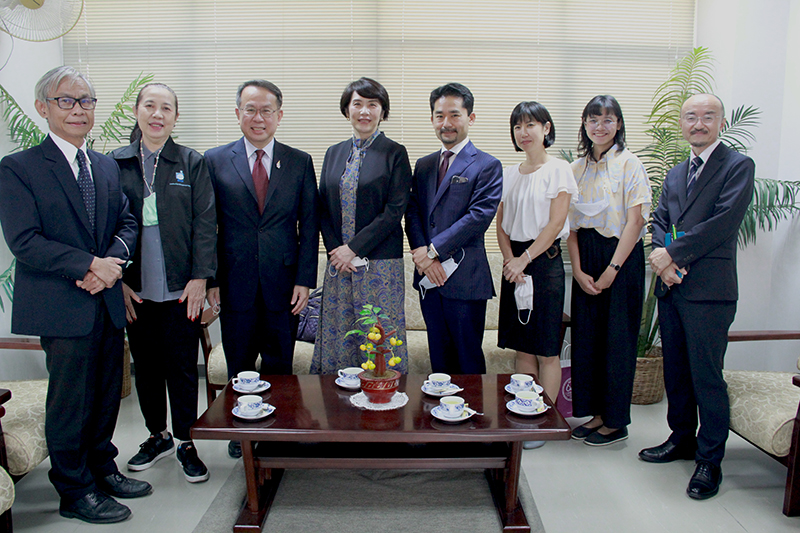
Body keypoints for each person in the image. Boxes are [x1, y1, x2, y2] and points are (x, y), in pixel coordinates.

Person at [0, 66, 149, 524]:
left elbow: (127, 222)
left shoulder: (103, 165)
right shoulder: (18, 168)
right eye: (67, 100)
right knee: (71, 400)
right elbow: (25, 240)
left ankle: (102, 468)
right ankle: (74, 488)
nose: (79, 109)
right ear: (44, 108)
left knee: (107, 394)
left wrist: (111, 266)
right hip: (60, 305)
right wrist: (90, 265)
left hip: (104, 300)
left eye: (86, 100)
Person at [639, 94, 755, 500]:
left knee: (707, 377)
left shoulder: (737, 166)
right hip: (673, 287)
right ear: (682, 123)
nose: (698, 123)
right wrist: (662, 260)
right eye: (691, 117)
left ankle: (709, 460)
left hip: (710, 292)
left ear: (721, 122)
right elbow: (661, 221)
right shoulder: (675, 173)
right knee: (676, 373)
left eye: (708, 116)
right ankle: (681, 439)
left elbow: (723, 223)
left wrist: (673, 253)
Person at [205, 80, 318, 458]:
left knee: (278, 362)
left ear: (279, 116)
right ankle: (243, 432)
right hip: (234, 281)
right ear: (238, 114)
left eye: (266, 110)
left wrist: (305, 279)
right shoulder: (215, 160)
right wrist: (211, 279)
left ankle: (279, 428)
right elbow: (207, 227)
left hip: (283, 282)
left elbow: (309, 225)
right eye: (250, 110)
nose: (258, 118)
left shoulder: (299, 161)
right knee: (239, 363)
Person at [110, 83, 216, 482]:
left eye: (166, 108)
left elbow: (206, 224)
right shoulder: (113, 163)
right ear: (137, 111)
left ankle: (187, 442)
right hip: (133, 287)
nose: (157, 114)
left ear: (175, 116)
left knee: (183, 367)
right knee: (147, 367)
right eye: (150, 106)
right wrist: (116, 280)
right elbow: (103, 227)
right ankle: (158, 436)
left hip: (180, 289)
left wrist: (200, 278)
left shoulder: (191, 161)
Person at [311, 77, 411, 374]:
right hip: (340, 267)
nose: (364, 111)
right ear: (347, 110)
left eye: (372, 105)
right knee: (340, 338)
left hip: (380, 265)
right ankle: (339, 411)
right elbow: (322, 207)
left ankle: (384, 411)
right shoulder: (333, 152)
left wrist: (353, 248)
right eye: (357, 104)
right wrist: (336, 251)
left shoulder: (395, 152)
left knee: (380, 340)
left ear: (382, 111)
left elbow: (394, 211)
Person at [567, 95, 651, 447]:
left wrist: (612, 269)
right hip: (584, 257)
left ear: (618, 124)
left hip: (621, 257)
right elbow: (568, 226)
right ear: (585, 124)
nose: (600, 127)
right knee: (587, 341)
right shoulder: (576, 167)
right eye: (593, 120)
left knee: (617, 341)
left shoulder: (630, 164)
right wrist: (578, 269)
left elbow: (637, 220)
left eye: (607, 120)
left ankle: (616, 422)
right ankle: (597, 414)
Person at [405, 83, 502, 374]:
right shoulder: (423, 165)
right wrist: (421, 252)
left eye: (454, 115)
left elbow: (479, 216)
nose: (446, 123)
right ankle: (441, 418)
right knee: (440, 362)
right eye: (439, 115)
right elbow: (413, 211)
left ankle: (473, 419)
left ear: (470, 118)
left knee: (468, 361)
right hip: (429, 282)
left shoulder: (487, 165)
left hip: (465, 281)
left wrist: (433, 251)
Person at [496, 101, 576, 413]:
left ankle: (546, 417)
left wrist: (523, 259)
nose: (523, 132)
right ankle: (523, 409)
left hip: (543, 264)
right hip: (514, 265)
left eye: (530, 124)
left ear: (546, 128)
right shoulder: (509, 172)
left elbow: (556, 223)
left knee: (546, 350)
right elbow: (501, 225)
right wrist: (509, 261)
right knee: (523, 348)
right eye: (517, 126)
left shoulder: (559, 169)